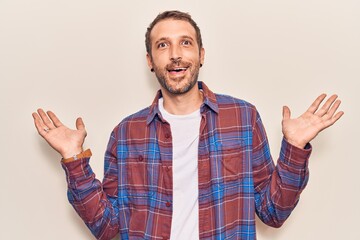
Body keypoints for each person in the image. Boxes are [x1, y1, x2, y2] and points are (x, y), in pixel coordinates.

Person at [32, 10, 343, 240]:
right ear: (150, 60)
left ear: (201, 55)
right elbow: (106, 225)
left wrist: (294, 149)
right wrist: (74, 159)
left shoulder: (242, 118)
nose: (176, 54)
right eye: (163, 45)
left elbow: (272, 213)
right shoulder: (126, 133)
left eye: (185, 43)